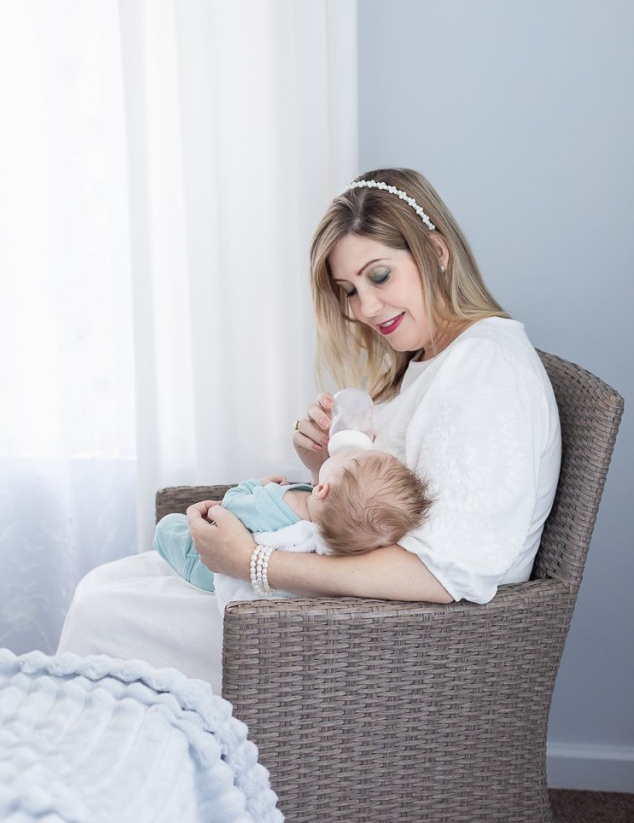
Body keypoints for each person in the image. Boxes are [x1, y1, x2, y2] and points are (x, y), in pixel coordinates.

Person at [58, 168, 561, 695]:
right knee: (104, 586)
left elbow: (442, 575)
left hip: (395, 642)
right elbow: (393, 512)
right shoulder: (429, 359)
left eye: (380, 276)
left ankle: (110, 769)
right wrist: (324, 467)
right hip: (353, 608)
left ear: (436, 251)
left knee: (101, 612)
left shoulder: (486, 370)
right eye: (349, 290)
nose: (365, 308)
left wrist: (257, 563)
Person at [153, 449, 432, 603]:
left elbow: (228, 507)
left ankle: (177, 559)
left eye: (353, 458)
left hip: (206, 566)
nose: (350, 452)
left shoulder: (271, 505)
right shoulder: (322, 530)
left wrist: (254, 486)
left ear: (321, 490)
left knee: (169, 525)